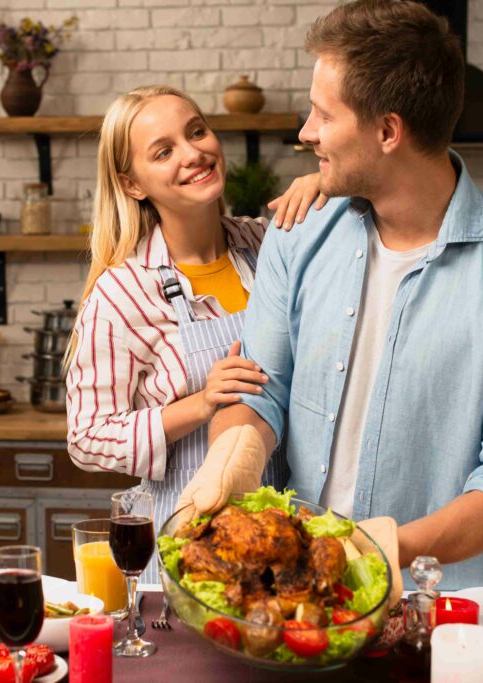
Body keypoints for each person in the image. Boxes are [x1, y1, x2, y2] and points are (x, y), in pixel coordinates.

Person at [176, 0, 483, 590]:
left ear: (388, 131)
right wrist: (228, 465)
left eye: (323, 115)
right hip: (296, 602)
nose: (306, 133)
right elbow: (260, 390)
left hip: (440, 607)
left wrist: (371, 552)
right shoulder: (298, 235)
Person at [65, 86, 324, 583]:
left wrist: (324, 189)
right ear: (133, 183)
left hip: (285, 531)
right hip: (191, 544)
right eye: (163, 152)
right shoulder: (124, 291)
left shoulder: (266, 245)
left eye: (197, 131)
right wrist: (201, 404)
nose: (193, 154)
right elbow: (86, 437)